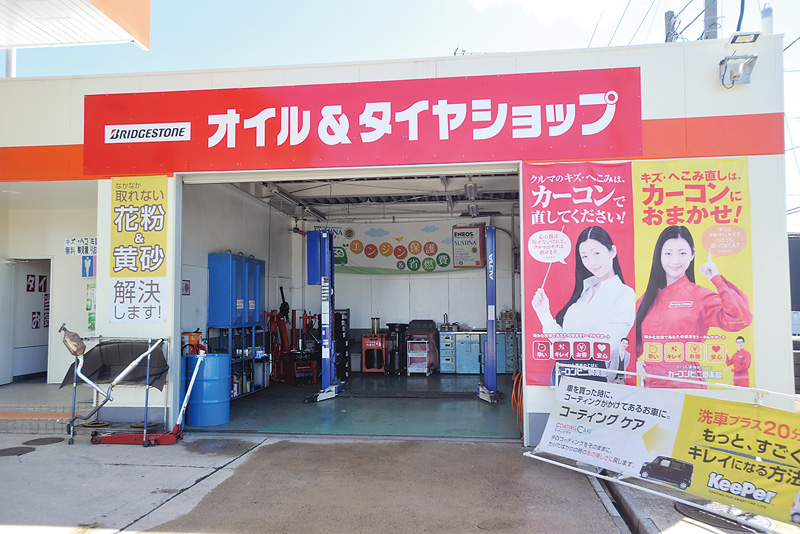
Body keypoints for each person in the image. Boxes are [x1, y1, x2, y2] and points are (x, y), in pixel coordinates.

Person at [635, 225, 752, 389]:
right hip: (651, 390)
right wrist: (633, 363)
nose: (675, 261)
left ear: (692, 254)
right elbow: (631, 342)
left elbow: (740, 319)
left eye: (682, 253)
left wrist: (717, 279)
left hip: (688, 388)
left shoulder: (700, 296)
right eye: (668, 253)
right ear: (659, 256)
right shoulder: (645, 300)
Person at [532, 226, 635, 383]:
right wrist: (544, 313)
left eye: (596, 253)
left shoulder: (624, 293)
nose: (591, 262)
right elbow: (561, 342)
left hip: (597, 376)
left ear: (612, 251)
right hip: (566, 372)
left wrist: (574, 348)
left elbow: (612, 343)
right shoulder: (584, 291)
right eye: (585, 256)